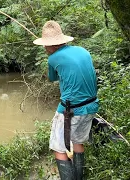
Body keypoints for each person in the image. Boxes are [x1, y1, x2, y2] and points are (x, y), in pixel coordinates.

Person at [33, 21, 99, 180]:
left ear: (52, 45)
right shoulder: (83, 51)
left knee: (58, 148)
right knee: (77, 143)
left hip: (71, 111)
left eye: (45, 45)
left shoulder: (53, 58)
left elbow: (52, 77)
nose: (44, 48)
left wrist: (52, 58)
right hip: (91, 107)